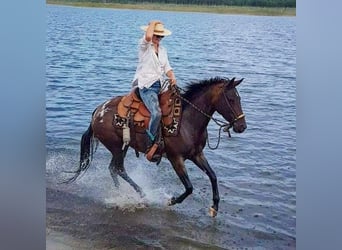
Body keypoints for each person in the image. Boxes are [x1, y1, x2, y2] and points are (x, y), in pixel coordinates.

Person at [132, 20, 177, 161]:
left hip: (160, 85)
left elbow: (167, 67)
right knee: (156, 113)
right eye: (156, 36)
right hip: (146, 86)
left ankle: (168, 140)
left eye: (160, 37)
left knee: (175, 107)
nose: (158, 39)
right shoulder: (144, 46)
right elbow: (147, 37)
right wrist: (153, 23)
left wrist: (172, 76)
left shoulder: (163, 51)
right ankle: (150, 143)